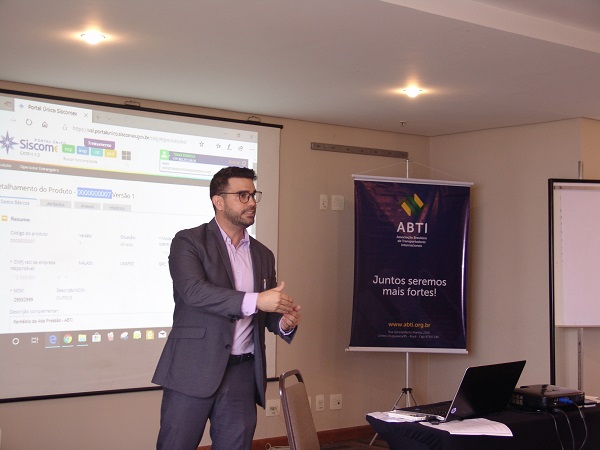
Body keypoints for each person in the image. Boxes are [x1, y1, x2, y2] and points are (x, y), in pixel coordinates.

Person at [152, 166, 301, 450]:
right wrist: (257, 300)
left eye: (253, 195)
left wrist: (283, 322)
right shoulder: (188, 241)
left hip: (242, 374)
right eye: (242, 195)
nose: (251, 202)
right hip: (192, 368)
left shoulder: (263, 254)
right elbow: (194, 292)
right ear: (218, 201)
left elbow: (265, 313)